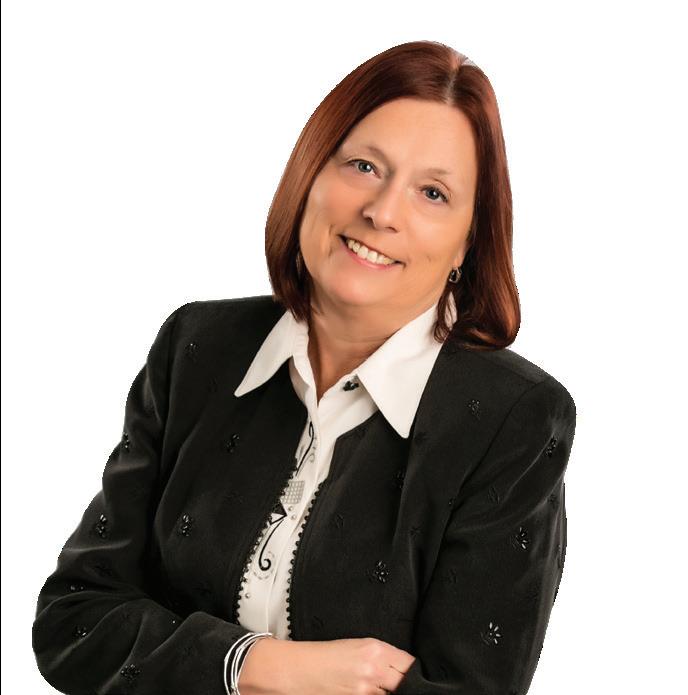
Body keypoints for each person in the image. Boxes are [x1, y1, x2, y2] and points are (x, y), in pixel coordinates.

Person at [32, 40, 577, 695]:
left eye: (433, 192)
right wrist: (257, 665)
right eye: (364, 166)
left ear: (469, 240)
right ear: (310, 174)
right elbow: (73, 620)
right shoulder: (198, 348)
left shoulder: (512, 419)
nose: (382, 212)